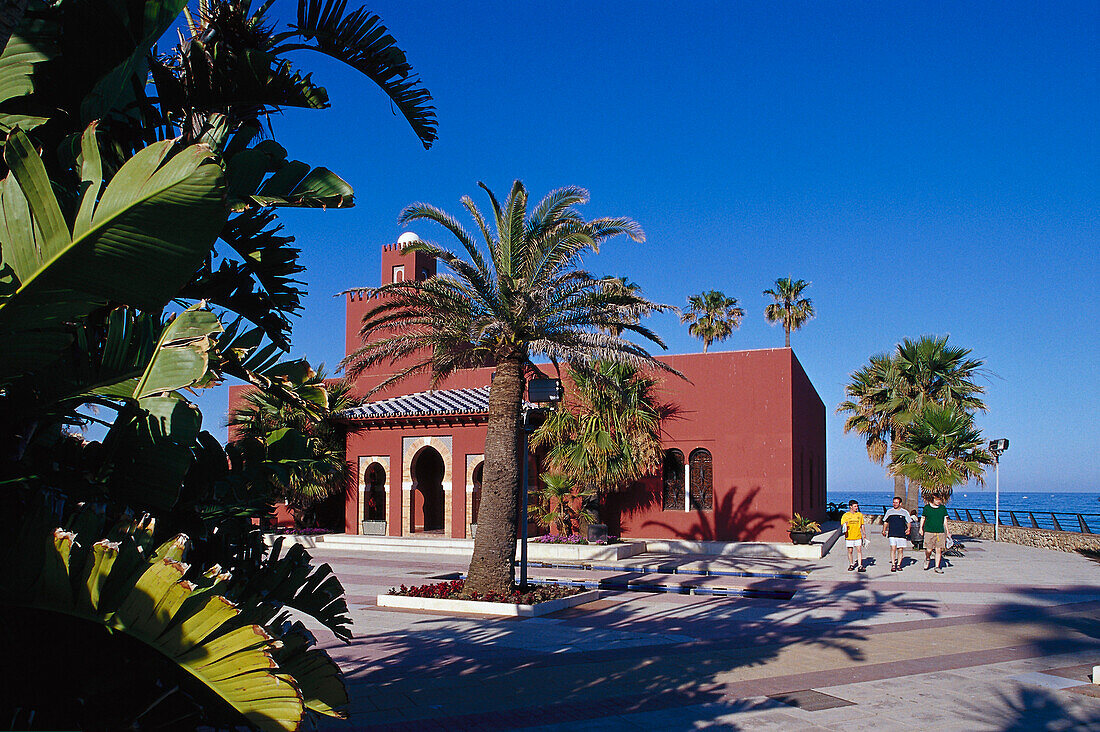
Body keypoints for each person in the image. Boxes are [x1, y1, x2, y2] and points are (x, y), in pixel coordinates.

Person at [919, 495, 951, 573]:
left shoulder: (942, 508)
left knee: (938, 550)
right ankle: (927, 558)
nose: (938, 502)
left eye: (939, 500)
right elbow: (923, 518)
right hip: (929, 531)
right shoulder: (927, 508)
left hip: (940, 532)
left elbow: (945, 520)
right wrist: (921, 528)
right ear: (933, 500)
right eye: (937, 500)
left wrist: (947, 531)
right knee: (929, 549)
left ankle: (937, 566)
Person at [882, 496, 912, 572]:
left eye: (896, 502)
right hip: (892, 533)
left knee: (900, 549)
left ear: (900, 503)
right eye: (893, 502)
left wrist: (908, 529)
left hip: (901, 533)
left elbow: (908, 522)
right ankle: (893, 564)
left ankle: (899, 564)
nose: (894, 504)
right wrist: (884, 530)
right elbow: (886, 521)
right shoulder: (889, 512)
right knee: (893, 548)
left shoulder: (904, 512)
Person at [840, 499, 867, 572]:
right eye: (855, 506)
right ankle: (851, 564)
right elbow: (842, 524)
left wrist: (864, 534)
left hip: (858, 536)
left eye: (857, 506)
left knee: (859, 550)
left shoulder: (859, 515)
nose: (856, 507)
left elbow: (862, 525)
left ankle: (860, 565)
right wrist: (845, 525)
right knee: (850, 551)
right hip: (849, 536)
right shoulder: (846, 515)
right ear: (850, 507)